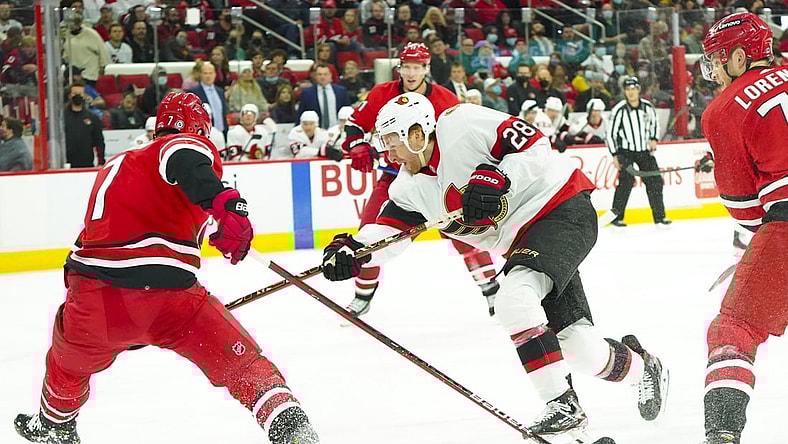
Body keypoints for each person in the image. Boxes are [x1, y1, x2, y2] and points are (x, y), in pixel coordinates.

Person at [323, 92, 669, 437]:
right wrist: (353, 252)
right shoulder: (408, 188)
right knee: (580, 350)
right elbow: (386, 234)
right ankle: (643, 368)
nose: (389, 153)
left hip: (560, 208)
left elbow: (534, 144)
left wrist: (501, 176)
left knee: (513, 298)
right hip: (525, 245)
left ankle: (564, 406)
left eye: (393, 142)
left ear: (416, 133)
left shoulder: (461, 124)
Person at [12, 91, 320, 444]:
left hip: (96, 302)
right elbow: (185, 160)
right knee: (242, 365)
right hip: (171, 300)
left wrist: (219, 229)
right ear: (199, 130)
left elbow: (178, 209)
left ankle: (54, 425)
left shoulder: (121, 162)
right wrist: (227, 205)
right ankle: (290, 427)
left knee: (68, 364)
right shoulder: (180, 147)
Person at [341, 42, 500, 317]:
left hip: (440, 178)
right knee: (370, 230)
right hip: (394, 178)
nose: (412, 73)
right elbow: (355, 124)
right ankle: (362, 295)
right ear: (399, 68)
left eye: (417, 67)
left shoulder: (446, 98)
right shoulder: (382, 93)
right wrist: (357, 145)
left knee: (465, 231)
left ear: (427, 68)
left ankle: (492, 290)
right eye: (407, 67)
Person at [696, 12, 788, 444]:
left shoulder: (724, 109)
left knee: (733, 328)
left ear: (738, 55)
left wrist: (764, 249)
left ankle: (723, 433)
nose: (713, 67)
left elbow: (745, 208)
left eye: (717, 57)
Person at [605, 76, 671, 227]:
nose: (631, 93)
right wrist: (614, 154)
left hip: (644, 151)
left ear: (638, 90)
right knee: (625, 183)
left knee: (654, 182)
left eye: (633, 89)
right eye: (628, 90)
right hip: (626, 152)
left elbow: (655, 124)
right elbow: (610, 133)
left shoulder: (648, 107)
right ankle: (617, 217)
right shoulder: (619, 110)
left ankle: (659, 217)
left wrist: (654, 138)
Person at [297, 64, 352, 130]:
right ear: (315, 76)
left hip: (338, 130)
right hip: (316, 132)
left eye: (325, 74)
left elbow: (348, 111)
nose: (322, 77)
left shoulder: (341, 91)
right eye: (320, 74)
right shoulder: (307, 93)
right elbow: (301, 114)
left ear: (330, 75)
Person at [64, 82, 105, 168]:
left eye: (80, 93)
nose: (78, 96)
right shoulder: (61, 118)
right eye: (75, 93)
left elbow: (99, 142)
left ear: (85, 96)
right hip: (65, 165)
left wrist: (101, 162)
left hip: (87, 164)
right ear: (69, 96)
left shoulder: (93, 118)